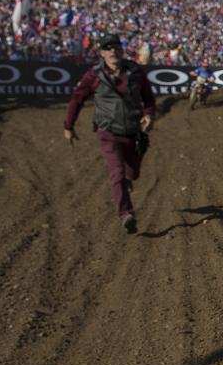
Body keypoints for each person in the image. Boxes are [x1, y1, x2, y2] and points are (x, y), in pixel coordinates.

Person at [63, 33, 156, 233]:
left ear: (122, 50)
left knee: (132, 173)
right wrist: (68, 126)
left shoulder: (136, 72)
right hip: (108, 132)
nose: (113, 51)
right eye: (108, 48)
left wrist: (148, 115)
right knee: (117, 172)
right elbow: (77, 99)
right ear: (102, 53)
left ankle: (127, 182)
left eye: (116, 47)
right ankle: (126, 214)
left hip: (133, 131)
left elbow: (148, 98)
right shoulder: (94, 76)